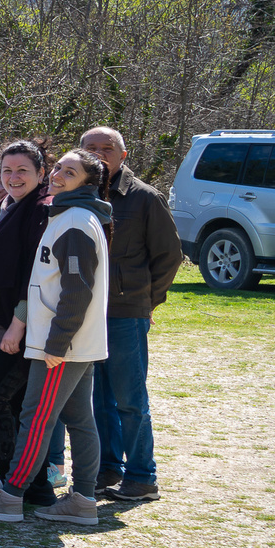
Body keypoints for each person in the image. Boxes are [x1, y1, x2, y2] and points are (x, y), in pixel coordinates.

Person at [0, 150, 115, 524]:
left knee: (35, 419)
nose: (60, 176)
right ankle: (82, 500)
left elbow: (77, 290)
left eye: (71, 172)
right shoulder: (66, 216)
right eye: (60, 168)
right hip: (72, 344)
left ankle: (10, 496)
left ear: (88, 182)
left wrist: (56, 343)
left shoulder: (77, 221)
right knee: (79, 419)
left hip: (60, 346)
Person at [79, 125, 182, 503]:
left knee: (129, 397)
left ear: (123, 156)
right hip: (84, 314)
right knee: (98, 397)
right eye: (91, 148)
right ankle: (108, 469)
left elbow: (169, 256)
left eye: (108, 148)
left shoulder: (144, 198)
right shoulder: (76, 195)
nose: (100, 153)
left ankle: (142, 476)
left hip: (125, 312)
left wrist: (145, 301)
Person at [0, 140, 55, 510]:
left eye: (22, 171)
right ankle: (30, 483)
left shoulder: (39, 210)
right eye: (6, 170)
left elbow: (34, 274)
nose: (13, 177)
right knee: (14, 401)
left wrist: (18, 326)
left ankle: (12, 477)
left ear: (41, 174)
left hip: (19, 326)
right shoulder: (5, 206)